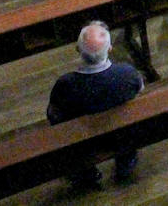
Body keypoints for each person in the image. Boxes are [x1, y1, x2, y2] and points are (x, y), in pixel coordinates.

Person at [46, 21, 144, 188]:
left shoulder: (66, 84)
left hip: (84, 139)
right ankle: (125, 164)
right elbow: (140, 89)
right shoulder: (126, 73)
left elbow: (54, 113)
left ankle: (87, 173)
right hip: (122, 132)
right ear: (110, 49)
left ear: (78, 50)